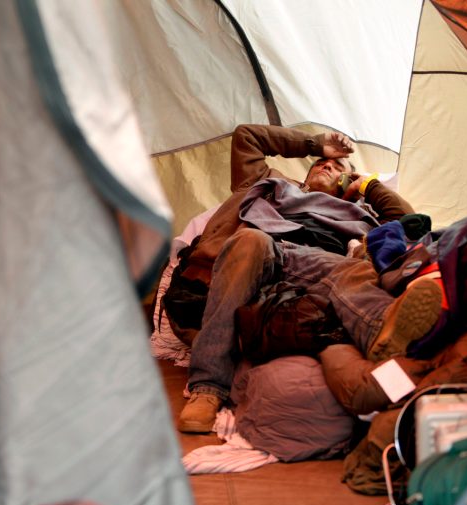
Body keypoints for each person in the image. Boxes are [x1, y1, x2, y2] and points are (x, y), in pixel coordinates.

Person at [177, 124, 443, 433]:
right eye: (321, 164)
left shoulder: (358, 212)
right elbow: (246, 137)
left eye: (337, 168)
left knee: (359, 268)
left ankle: (387, 339)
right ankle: (208, 388)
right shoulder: (267, 181)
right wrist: (316, 146)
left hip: (317, 271)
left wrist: (368, 186)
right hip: (260, 253)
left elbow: (410, 226)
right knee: (249, 240)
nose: (327, 165)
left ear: (347, 183)